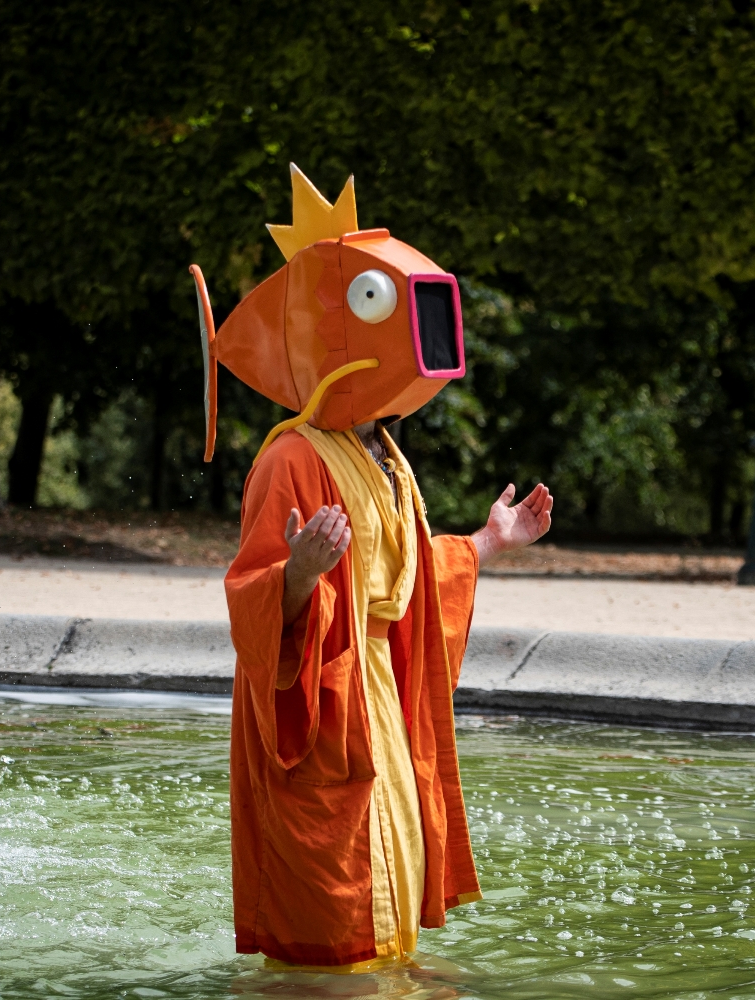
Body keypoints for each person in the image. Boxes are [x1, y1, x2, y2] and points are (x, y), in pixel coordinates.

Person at [191, 163, 553, 970]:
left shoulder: (385, 450)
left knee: (390, 922)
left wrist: (488, 543)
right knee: (330, 932)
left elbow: (401, 574)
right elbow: (251, 595)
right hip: (326, 713)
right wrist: (297, 574)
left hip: (383, 703)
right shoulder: (290, 458)